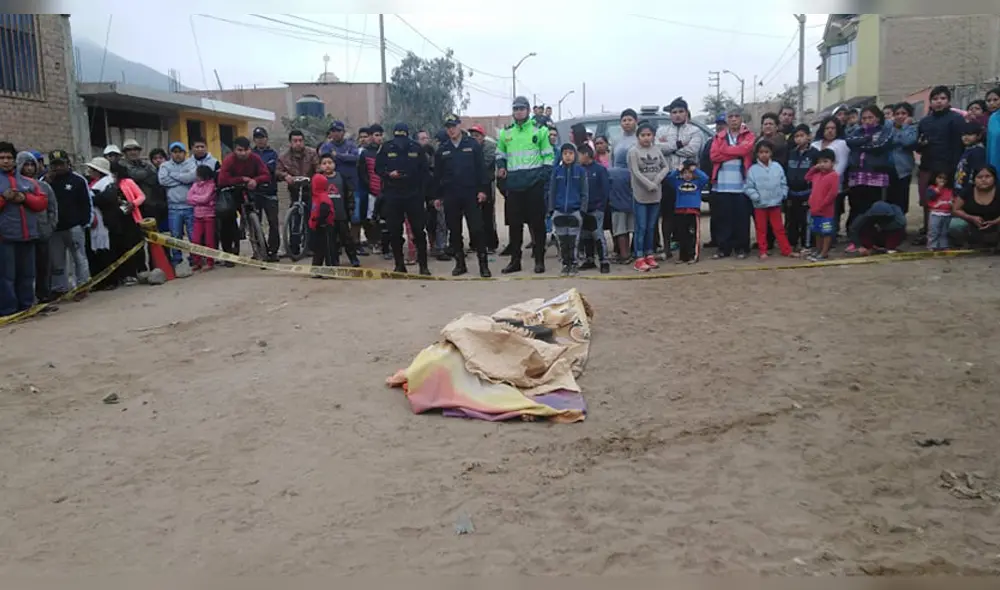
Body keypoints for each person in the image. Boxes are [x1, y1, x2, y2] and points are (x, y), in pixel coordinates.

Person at [497, 96, 554, 275]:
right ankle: (515, 261)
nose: (519, 112)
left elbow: (548, 156)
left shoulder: (541, 131)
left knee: (537, 224)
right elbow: (500, 154)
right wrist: (501, 167)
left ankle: (539, 260)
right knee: (514, 226)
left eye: (522, 108)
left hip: (534, 184)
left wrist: (542, 177)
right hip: (514, 185)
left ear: (528, 110)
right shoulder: (505, 133)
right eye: (516, 109)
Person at [434, 116, 490, 277]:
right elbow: (437, 175)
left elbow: (481, 170)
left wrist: (483, 191)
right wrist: (437, 196)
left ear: (460, 126)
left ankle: (483, 265)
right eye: (448, 127)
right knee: (455, 230)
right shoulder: (443, 149)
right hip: (451, 195)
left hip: (470, 194)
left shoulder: (472, 145)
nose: (451, 130)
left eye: (453, 126)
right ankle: (460, 264)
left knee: (477, 229)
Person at [0, 141, 48, 316]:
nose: (6, 161)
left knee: (27, 275)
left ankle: (26, 307)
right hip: (4, 238)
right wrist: (4, 199)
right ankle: (8, 310)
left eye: (9, 158)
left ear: (14, 160)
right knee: (6, 277)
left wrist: (24, 198)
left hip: (28, 236)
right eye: (2, 158)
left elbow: (42, 203)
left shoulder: (29, 182)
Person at [378, 122, 431, 275]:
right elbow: (378, 168)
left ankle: (423, 266)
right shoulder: (387, 147)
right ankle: (399, 265)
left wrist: (421, 192)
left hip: (413, 195)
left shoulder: (416, 148)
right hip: (393, 195)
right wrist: (389, 174)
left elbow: (425, 171)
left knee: (419, 232)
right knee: (395, 231)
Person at [655, 97, 704, 260]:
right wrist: (679, 145)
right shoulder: (662, 131)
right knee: (667, 215)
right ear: (670, 114)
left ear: (686, 113)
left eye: (680, 112)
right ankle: (667, 248)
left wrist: (671, 148)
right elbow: (658, 149)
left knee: (687, 216)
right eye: (674, 112)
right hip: (669, 178)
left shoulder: (694, 131)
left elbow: (693, 151)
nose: (677, 115)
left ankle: (689, 249)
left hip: (688, 180)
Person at [916, 85, 965, 238]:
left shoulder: (956, 119)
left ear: (949, 101)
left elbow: (959, 145)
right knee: (927, 199)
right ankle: (928, 231)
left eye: (942, 98)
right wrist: (921, 144)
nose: (939, 102)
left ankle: (946, 233)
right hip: (927, 165)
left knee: (947, 200)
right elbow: (918, 145)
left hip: (948, 167)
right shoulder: (924, 121)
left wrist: (954, 167)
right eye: (935, 99)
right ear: (930, 102)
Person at [844, 105, 893, 252]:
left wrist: (862, 145)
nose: (867, 121)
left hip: (876, 177)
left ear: (878, 117)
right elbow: (850, 141)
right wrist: (867, 139)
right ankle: (854, 240)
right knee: (856, 208)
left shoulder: (885, 131)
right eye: (864, 118)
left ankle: (871, 240)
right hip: (857, 177)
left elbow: (880, 146)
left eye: (870, 117)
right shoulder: (856, 131)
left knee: (873, 209)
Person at [710, 107, 756, 259]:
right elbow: (714, 156)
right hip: (722, 185)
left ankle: (742, 248)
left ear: (742, 118)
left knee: (741, 218)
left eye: (737, 116)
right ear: (726, 119)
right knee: (723, 218)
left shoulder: (749, 135)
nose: (734, 119)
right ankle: (724, 248)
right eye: (731, 116)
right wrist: (735, 151)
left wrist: (726, 151)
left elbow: (746, 150)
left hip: (742, 185)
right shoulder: (719, 137)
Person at [218, 136, 273, 260]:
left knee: (255, 217)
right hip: (232, 192)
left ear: (250, 149)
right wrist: (241, 179)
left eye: (246, 150)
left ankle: (262, 250)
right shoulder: (229, 160)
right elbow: (222, 180)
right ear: (234, 150)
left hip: (249, 191)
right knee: (228, 221)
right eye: (239, 150)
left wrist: (255, 180)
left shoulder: (255, 158)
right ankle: (228, 254)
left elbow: (266, 175)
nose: (243, 153)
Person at [45, 149, 91, 298]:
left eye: (61, 164)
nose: (58, 168)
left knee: (79, 258)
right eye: (54, 165)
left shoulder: (78, 180)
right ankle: (59, 288)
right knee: (57, 261)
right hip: (55, 229)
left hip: (74, 227)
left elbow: (86, 203)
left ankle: (82, 286)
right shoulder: (44, 182)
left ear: (68, 163)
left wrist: (84, 223)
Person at [94, 161, 146, 287]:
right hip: (114, 221)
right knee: (118, 248)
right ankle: (122, 275)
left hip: (130, 219)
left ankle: (136, 273)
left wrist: (132, 204)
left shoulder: (128, 182)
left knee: (133, 246)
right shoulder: (101, 185)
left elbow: (141, 196)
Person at [627, 121, 670, 272]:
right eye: (643, 135)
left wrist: (657, 180)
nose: (646, 138)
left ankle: (649, 254)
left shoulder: (657, 150)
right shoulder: (633, 152)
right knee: (641, 227)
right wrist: (648, 184)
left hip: (656, 195)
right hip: (641, 195)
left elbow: (665, 167)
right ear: (638, 136)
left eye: (649, 135)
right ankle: (639, 257)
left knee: (652, 227)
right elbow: (635, 171)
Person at [16, 152, 58, 306]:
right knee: (26, 269)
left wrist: (50, 226)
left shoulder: (44, 186)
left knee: (44, 266)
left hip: (43, 232)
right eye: (25, 165)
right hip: (24, 234)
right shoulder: (15, 186)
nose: (29, 168)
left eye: (31, 164)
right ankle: (26, 300)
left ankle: (44, 295)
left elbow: (53, 208)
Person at [746, 141, 794, 259]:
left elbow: (783, 182)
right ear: (757, 154)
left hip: (775, 203)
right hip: (760, 205)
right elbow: (748, 187)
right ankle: (763, 250)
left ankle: (786, 250)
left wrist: (783, 194)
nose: (764, 155)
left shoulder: (777, 167)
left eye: (766, 152)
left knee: (779, 228)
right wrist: (756, 197)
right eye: (761, 152)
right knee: (761, 229)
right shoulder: (753, 170)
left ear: (771, 153)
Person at [276, 129, 320, 259]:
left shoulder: (312, 153)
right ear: (290, 142)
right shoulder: (283, 157)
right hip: (294, 190)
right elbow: (277, 171)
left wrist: (315, 176)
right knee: (294, 219)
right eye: (295, 141)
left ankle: (311, 247)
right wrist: (286, 176)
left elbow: (318, 168)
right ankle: (293, 248)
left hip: (310, 189)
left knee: (312, 217)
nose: (298, 143)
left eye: (300, 140)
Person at [547, 142, 589, 276]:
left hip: (575, 211)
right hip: (559, 210)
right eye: (565, 153)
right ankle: (565, 264)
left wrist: (582, 209)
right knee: (562, 240)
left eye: (570, 153)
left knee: (573, 240)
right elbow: (552, 191)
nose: (568, 156)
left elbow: (584, 192)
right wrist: (551, 209)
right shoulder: (556, 171)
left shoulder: (580, 171)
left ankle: (574, 264)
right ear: (561, 155)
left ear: (575, 155)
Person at [315, 153, 359, 267]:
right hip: (328, 218)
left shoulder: (341, 178)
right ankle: (334, 261)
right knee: (331, 241)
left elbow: (349, 195)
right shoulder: (318, 179)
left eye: (330, 163)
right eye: (324, 163)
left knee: (347, 239)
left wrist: (350, 208)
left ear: (334, 164)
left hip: (341, 215)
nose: (327, 166)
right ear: (320, 166)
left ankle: (353, 258)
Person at [157, 141, 197, 266]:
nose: (177, 155)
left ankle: (195, 258)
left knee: (193, 235)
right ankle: (177, 259)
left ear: (184, 153)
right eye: (174, 152)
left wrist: (174, 176)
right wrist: (182, 178)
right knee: (175, 235)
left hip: (190, 205)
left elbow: (191, 178)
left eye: (180, 152)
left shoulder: (191, 163)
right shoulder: (164, 166)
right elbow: (163, 180)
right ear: (170, 154)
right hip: (173, 207)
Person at [811, 116, 850, 235]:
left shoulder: (842, 144)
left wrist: (829, 179)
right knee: (817, 214)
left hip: (833, 185)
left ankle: (830, 238)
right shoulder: (814, 144)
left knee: (831, 213)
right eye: (827, 128)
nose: (830, 131)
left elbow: (841, 165)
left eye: (833, 128)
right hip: (816, 185)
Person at [665, 159, 709, 264]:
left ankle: (693, 255)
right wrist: (677, 170)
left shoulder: (698, 183)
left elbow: (705, 178)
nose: (687, 175)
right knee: (682, 235)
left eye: (690, 173)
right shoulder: (678, 182)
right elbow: (669, 178)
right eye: (685, 173)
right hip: (680, 211)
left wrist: (696, 170)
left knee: (692, 235)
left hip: (693, 212)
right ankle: (683, 256)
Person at [577, 144, 610, 273]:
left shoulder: (600, 169)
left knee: (598, 234)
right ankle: (589, 259)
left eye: (579, 155)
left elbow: (605, 189)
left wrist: (601, 206)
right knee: (585, 235)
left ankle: (604, 260)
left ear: (586, 155)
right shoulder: (579, 170)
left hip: (596, 208)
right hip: (583, 208)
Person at [785, 124, 819, 252]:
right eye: (796, 136)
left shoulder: (814, 153)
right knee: (792, 220)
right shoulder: (792, 153)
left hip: (808, 192)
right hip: (792, 193)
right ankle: (792, 243)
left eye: (802, 136)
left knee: (806, 221)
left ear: (809, 137)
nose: (799, 139)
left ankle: (807, 244)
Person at [950, 166, 1000, 249]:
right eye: (979, 177)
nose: (983, 180)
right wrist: (971, 218)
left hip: (996, 225)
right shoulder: (967, 191)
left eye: (987, 176)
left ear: (994, 178)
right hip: (972, 225)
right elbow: (955, 209)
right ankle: (965, 243)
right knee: (955, 225)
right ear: (974, 179)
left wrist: (995, 221)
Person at [468, 124, 499, 254]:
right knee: (473, 215)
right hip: (472, 184)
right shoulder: (469, 147)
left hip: (486, 184)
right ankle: (475, 243)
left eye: (477, 136)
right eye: (472, 136)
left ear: (483, 137)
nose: (474, 138)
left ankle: (491, 244)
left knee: (487, 215)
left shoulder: (490, 147)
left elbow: (483, 165)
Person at [122, 139, 164, 232]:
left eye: (135, 149)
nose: (133, 152)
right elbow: (135, 175)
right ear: (125, 152)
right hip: (134, 207)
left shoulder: (145, 164)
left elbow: (155, 177)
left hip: (151, 204)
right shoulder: (122, 165)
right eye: (129, 150)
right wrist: (146, 173)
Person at [805, 149, 840, 261]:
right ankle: (818, 250)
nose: (823, 165)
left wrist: (822, 205)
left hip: (826, 212)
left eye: (826, 161)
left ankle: (824, 252)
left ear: (833, 163)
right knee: (817, 232)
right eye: (820, 162)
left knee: (826, 233)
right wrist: (815, 168)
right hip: (815, 210)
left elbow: (832, 194)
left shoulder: (834, 175)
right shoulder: (817, 175)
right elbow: (807, 177)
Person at [250, 127, 280, 258]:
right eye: (257, 138)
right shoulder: (250, 154)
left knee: (273, 222)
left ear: (266, 138)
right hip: (255, 193)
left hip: (270, 192)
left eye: (262, 137)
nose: (260, 140)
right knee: (255, 223)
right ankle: (259, 250)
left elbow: (271, 170)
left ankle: (273, 251)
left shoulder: (273, 154)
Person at [358, 123, 387, 257]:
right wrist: (370, 185)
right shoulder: (365, 153)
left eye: (380, 135)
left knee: (385, 218)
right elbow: (362, 173)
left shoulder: (387, 150)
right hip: (371, 191)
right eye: (376, 135)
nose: (379, 138)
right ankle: (374, 242)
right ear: (370, 137)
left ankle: (385, 244)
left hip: (386, 190)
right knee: (371, 219)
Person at [887, 102, 918, 213]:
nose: (900, 116)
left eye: (903, 113)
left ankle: (900, 225)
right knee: (888, 200)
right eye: (897, 113)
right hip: (888, 170)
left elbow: (908, 141)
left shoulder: (913, 128)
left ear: (909, 115)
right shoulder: (889, 128)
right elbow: (888, 141)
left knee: (902, 201)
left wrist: (904, 127)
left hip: (904, 171)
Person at [185, 165, 218, 270]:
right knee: (195, 240)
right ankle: (197, 261)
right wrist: (200, 200)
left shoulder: (211, 185)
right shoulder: (195, 185)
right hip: (197, 216)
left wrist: (197, 200)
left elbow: (205, 198)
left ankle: (210, 262)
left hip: (209, 216)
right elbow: (188, 198)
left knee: (209, 240)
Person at [702, 114, 727, 249]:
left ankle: (728, 241)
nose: (720, 126)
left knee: (728, 214)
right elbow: (704, 161)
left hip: (730, 184)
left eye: (723, 123)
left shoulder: (733, 142)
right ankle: (716, 239)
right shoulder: (710, 142)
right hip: (714, 183)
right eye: (718, 124)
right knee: (715, 213)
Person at [307, 171, 336, 271]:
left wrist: (319, 221)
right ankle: (316, 269)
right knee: (318, 250)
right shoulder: (315, 196)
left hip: (324, 227)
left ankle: (331, 268)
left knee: (328, 249)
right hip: (317, 227)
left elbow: (325, 209)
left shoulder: (323, 197)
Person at [924, 170, 954, 251]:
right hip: (935, 213)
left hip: (946, 214)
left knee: (944, 232)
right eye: (940, 178)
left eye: (945, 178)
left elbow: (952, 199)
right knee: (934, 231)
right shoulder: (931, 188)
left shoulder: (949, 190)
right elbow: (931, 196)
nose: (942, 180)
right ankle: (932, 245)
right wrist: (939, 188)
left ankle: (943, 245)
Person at [954, 121, 986, 194]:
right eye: (963, 134)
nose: (965, 137)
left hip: (967, 193)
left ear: (979, 135)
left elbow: (975, 175)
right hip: (960, 189)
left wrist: (967, 192)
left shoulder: (978, 152)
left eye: (970, 134)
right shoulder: (968, 149)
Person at [987, 88, 1000, 173]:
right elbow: (989, 144)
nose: (992, 103)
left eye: (995, 100)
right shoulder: (992, 118)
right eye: (988, 100)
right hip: (994, 160)